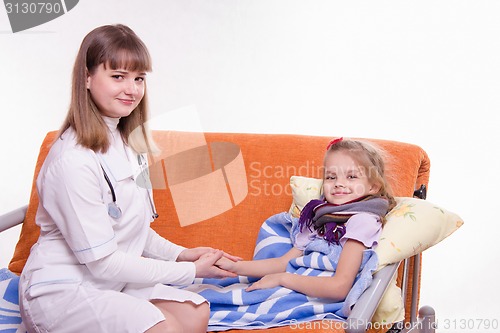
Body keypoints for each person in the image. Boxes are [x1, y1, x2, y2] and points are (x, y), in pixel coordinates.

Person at [19, 24, 238, 333]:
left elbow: (130, 230)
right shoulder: (72, 160)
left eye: (139, 78)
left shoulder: (128, 143)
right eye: (118, 77)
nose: (132, 89)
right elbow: (103, 261)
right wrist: (188, 270)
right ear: (86, 77)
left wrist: (183, 254)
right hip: (63, 289)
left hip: (113, 282)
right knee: (165, 328)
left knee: (196, 312)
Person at [216, 137, 396, 301]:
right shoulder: (319, 220)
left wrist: (283, 279)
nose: (338, 183)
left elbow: (339, 287)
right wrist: (233, 267)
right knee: (217, 293)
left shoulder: (362, 221)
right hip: (295, 285)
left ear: (373, 186)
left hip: (316, 296)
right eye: (331, 177)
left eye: (351, 177)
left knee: (225, 302)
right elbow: (282, 263)